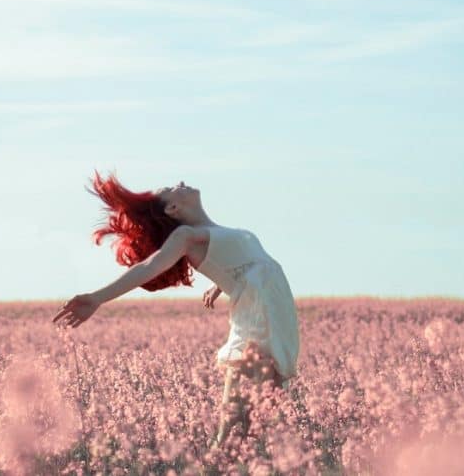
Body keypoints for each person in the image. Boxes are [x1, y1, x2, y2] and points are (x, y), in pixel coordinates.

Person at [52, 170, 301, 448]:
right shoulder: (186, 235)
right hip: (259, 323)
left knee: (257, 434)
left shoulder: (217, 233)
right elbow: (150, 265)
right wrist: (98, 297)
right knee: (233, 437)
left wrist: (222, 285)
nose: (180, 182)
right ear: (172, 208)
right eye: (172, 188)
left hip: (277, 322)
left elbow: (248, 266)